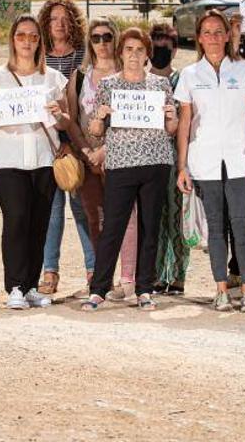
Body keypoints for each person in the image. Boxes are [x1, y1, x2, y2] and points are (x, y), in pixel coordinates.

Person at [0, 14, 70, 310]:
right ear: (12, 40)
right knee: (16, 219)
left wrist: (58, 113)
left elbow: (66, 121)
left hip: (43, 158)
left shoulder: (53, 78)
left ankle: (31, 286)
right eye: (21, 36)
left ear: (40, 41)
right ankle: (14, 285)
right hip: (8, 159)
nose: (27, 42)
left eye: (33, 36)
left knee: (39, 223)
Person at [82, 28, 178, 311]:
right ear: (120, 53)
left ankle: (144, 289)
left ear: (147, 53)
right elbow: (97, 131)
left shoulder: (160, 85)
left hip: (155, 163)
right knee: (113, 226)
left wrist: (171, 118)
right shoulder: (110, 85)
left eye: (139, 49)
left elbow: (171, 129)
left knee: (150, 229)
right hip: (121, 164)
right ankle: (99, 289)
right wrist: (99, 117)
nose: (134, 55)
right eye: (128, 49)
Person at [176, 11, 245, 312]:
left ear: (228, 35)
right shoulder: (189, 75)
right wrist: (182, 166)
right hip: (205, 163)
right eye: (207, 32)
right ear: (199, 38)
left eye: (218, 32)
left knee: (243, 225)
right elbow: (185, 123)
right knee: (215, 228)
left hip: (240, 161)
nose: (213, 37)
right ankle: (221, 290)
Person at [66, 18, 139, 300]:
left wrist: (105, 151)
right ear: (89, 42)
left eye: (107, 37)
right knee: (95, 218)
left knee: (127, 217)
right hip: (88, 157)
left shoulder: (127, 74)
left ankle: (128, 278)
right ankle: (102, 277)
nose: (102, 43)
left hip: (121, 155)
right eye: (96, 38)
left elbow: (135, 118)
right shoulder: (80, 77)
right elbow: (72, 119)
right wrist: (86, 152)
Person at [36, 0, 93, 295]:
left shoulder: (83, 57)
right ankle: (50, 272)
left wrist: (70, 143)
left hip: (76, 140)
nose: (59, 23)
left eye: (65, 18)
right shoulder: (38, 57)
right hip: (45, 145)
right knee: (52, 210)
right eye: (53, 18)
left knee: (82, 208)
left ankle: (93, 270)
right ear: (45, 23)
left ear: (73, 22)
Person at [148, 23, 189, 295]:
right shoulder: (140, 81)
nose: (161, 51)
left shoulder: (181, 80)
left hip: (174, 158)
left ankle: (177, 275)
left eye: (167, 46)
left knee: (176, 218)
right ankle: (152, 273)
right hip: (147, 158)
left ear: (175, 50)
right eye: (156, 45)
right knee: (152, 218)